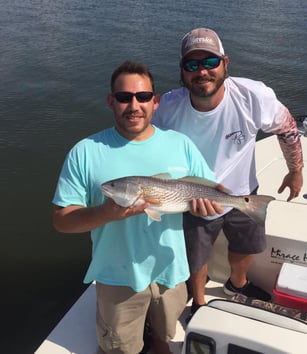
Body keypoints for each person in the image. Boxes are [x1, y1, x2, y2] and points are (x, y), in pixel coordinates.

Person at [52, 60, 223, 354]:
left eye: (143, 97)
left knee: (165, 339)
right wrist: (106, 212)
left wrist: (210, 206)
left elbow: (213, 192)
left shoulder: (180, 144)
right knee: (119, 349)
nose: (134, 105)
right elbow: (62, 221)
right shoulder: (86, 152)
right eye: (124, 97)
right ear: (111, 101)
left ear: (155, 101)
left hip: (172, 272)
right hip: (117, 280)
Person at [153, 27, 304, 319]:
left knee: (247, 245)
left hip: (242, 191)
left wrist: (295, 171)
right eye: (192, 65)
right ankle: (198, 301)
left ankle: (237, 284)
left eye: (210, 62)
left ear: (225, 63)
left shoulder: (253, 96)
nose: (202, 72)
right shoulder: (167, 108)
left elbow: (286, 128)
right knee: (196, 258)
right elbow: (148, 148)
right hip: (189, 197)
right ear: (182, 71)